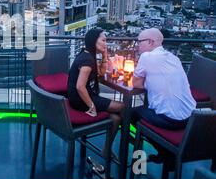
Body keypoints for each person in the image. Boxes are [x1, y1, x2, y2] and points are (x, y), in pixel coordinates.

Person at [132, 28, 196, 162]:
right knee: (149, 105)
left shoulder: (147, 57)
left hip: (170, 120)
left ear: (150, 42)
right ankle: (165, 153)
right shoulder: (174, 58)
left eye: (139, 42)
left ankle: (160, 154)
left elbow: (136, 84)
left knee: (130, 112)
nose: (137, 45)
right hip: (191, 118)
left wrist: (149, 84)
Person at [67, 28, 125, 158]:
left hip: (84, 96)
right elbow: (80, 87)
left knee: (116, 118)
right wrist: (91, 106)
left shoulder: (88, 54)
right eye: (103, 40)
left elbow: (101, 73)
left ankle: (106, 149)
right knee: (122, 107)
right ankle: (127, 140)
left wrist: (104, 55)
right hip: (80, 100)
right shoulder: (87, 60)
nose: (106, 43)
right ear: (94, 41)